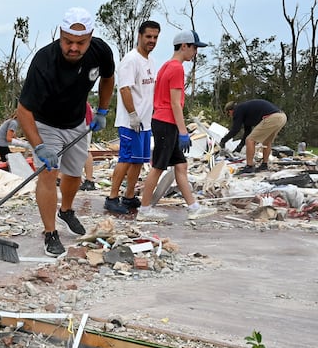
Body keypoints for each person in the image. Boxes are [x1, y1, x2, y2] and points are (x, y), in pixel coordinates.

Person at [17, 7, 114, 257]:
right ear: (60, 33)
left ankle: (67, 210)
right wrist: (40, 146)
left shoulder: (101, 51)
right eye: (68, 41)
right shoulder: (44, 62)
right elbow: (24, 111)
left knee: (74, 174)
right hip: (46, 123)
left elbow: (108, 78)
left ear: (90, 38)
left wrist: (102, 110)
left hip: (77, 122)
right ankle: (51, 233)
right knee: (49, 174)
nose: (73, 48)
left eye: (80, 43)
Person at [136, 30, 216, 221]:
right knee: (158, 167)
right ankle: (144, 209)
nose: (195, 52)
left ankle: (193, 207)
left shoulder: (166, 66)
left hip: (163, 121)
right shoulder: (177, 69)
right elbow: (174, 102)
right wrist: (182, 131)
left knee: (181, 166)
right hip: (166, 122)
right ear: (184, 46)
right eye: (194, 47)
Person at [104, 20, 161, 214]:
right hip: (130, 122)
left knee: (138, 160)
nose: (151, 41)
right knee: (126, 158)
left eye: (155, 37)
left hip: (145, 123)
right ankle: (112, 197)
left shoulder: (151, 61)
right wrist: (133, 115)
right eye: (148, 37)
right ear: (140, 36)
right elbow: (124, 88)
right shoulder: (130, 60)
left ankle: (129, 196)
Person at [220, 99, 287, 173]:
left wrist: (223, 141)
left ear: (230, 111)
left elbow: (235, 129)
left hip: (272, 117)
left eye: (228, 114)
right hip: (282, 117)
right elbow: (247, 132)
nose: (230, 116)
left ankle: (249, 166)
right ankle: (264, 165)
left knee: (250, 140)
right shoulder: (244, 110)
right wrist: (240, 147)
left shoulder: (237, 110)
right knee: (267, 142)